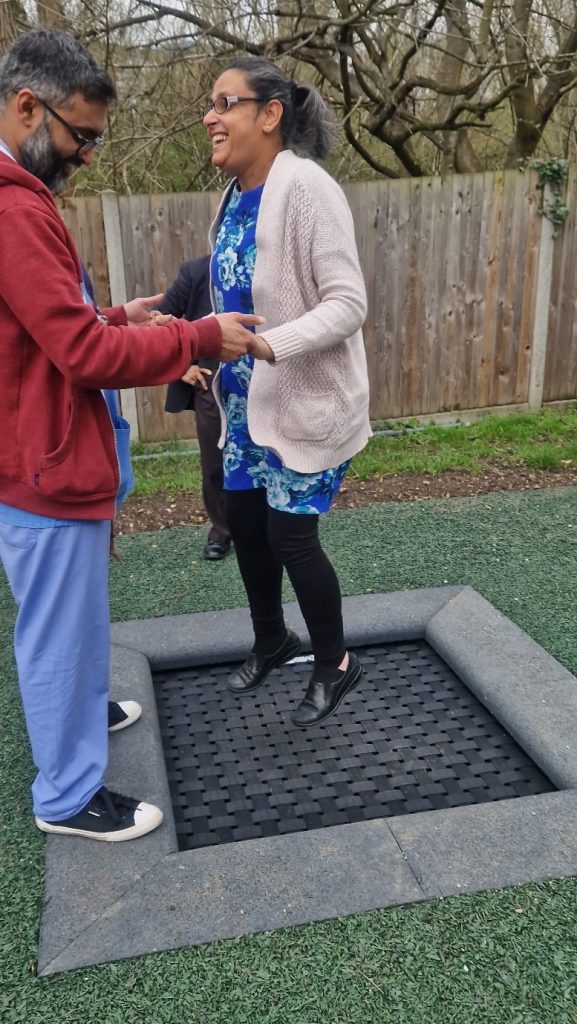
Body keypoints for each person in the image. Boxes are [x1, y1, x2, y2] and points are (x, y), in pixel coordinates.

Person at [0, 29, 264, 842]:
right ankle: (68, 797)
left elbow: (49, 326)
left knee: (75, 620)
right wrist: (194, 336)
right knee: (57, 627)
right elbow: (80, 354)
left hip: (41, 455)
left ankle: (80, 711)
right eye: (80, 136)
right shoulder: (12, 208)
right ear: (25, 107)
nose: (85, 155)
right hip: (42, 470)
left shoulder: (24, 197)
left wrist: (123, 315)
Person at [203, 57, 371, 728]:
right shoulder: (234, 196)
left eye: (224, 103)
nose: (209, 118)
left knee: (290, 536)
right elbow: (233, 293)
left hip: (303, 400)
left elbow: (348, 303)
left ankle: (335, 663)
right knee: (243, 524)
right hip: (245, 404)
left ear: (269, 115)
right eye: (208, 105)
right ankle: (272, 638)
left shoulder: (306, 187)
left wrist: (271, 346)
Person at [159, 255, 231, 561]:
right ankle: (222, 530)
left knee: (265, 458)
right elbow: (157, 322)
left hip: (264, 377)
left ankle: (264, 528)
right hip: (210, 380)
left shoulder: (270, 267)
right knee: (215, 464)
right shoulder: (197, 271)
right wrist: (179, 365)